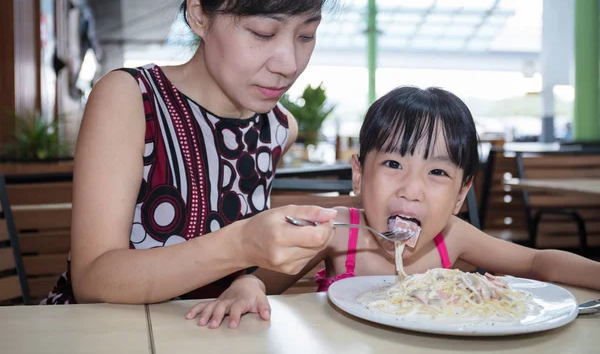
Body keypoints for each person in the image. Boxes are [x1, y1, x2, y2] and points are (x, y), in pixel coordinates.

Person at [41, 0, 342, 305]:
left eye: (306, 35)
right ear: (199, 14)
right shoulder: (131, 99)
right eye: (263, 33)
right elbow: (93, 279)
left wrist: (255, 280)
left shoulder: (277, 128)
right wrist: (241, 244)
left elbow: (233, 283)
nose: (289, 64)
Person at [187, 86, 600, 328]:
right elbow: (263, 281)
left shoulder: (454, 239)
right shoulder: (338, 234)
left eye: (437, 172)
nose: (412, 188)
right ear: (359, 175)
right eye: (393, 164)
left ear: (460, 195)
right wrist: (247, 286)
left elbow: (538, 263)